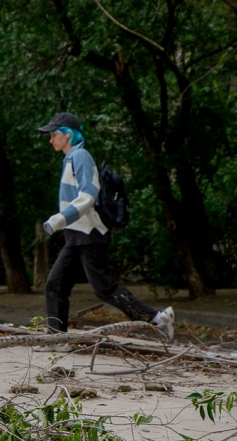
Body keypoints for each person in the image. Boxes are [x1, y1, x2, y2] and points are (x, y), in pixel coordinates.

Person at [37, 112, 174, 347]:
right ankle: (57, 339)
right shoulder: (70, 158)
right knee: (55, 284)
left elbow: (88, 197)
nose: (51, 140)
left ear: (68, 135)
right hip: (77, 236)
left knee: (104, 289)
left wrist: (58, 219)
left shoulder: (80, 157)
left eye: (54, 134)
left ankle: (158, 318)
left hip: (90, 234)